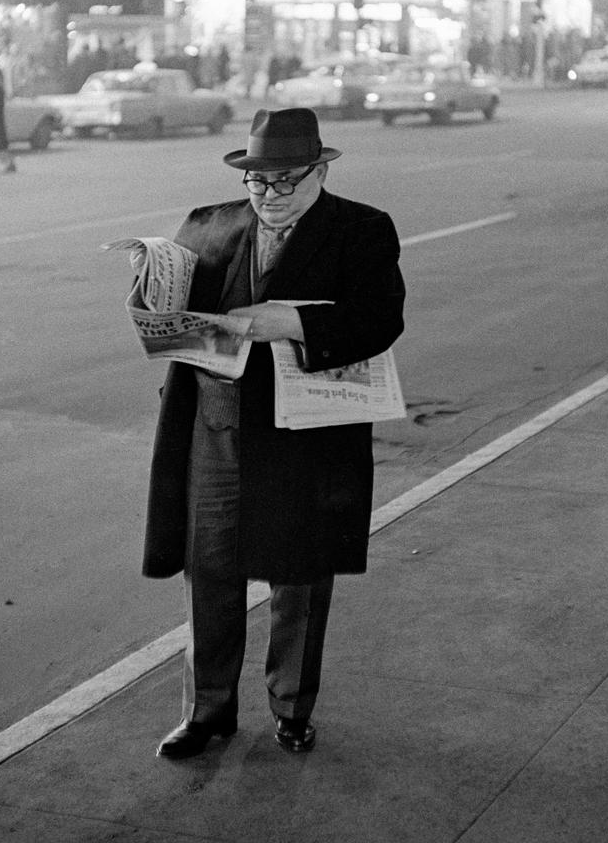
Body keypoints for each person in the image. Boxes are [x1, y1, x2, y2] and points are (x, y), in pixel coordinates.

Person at [143, 107, 405, 759]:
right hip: (218, 431)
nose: (270, 196)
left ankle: (291, 707)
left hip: (302, 441)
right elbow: (171, 316)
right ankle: (209, 712)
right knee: (210, 574)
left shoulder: (361, 231)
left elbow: (380, 320)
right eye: (259, 183)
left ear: (320, 171)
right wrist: (153, 294)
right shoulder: (208, 227)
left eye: (287, 181)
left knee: (300, 580)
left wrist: (290, 323)